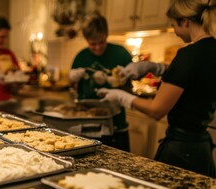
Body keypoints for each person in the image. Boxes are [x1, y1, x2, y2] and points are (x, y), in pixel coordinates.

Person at [97, 0, 216, 178]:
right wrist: (156, 68)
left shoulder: (188, 54)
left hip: (181, 150)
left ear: (185, 21)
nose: (175, 31)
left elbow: (156, 110)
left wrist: (123, 97)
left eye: (173, 25)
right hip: (202, 147)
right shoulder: (211, 49)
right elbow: (194, 77)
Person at [69, 13, 132, 151]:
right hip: (85, 126)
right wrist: (72, 79)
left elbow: (130, 89)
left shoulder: (121, 54)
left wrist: (122, 81)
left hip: (115, 126)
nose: (98, 47)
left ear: (106, 34)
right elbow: (72, 89)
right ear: (86, 39)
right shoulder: (81, 57)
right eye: (93, 44)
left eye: (101, 42)